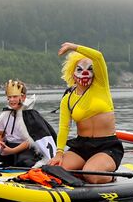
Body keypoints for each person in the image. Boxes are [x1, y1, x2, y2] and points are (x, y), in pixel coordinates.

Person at [52, 42, 122, 183]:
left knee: (91, 174)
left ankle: (110, 176)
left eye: (90, 69)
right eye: (80, 69)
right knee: (55, 171)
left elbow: (98, 57)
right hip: (81, 146)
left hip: (106, 146)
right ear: (72, 72)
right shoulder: (67, 99)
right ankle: (81, 172)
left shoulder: (101, 85)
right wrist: (59, 153)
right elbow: (64, 128)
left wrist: (73, 47)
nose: (85, 73)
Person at [0, 80, 56, 168]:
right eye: (9, 97)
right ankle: (10, 161)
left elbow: (29, 141)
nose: (11, 100)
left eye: (14, 96)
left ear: (23, 97)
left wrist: (12, 151)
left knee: (24, 163)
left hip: (26, 147)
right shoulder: (5, 114)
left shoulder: (29, 115)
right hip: (9, 145)